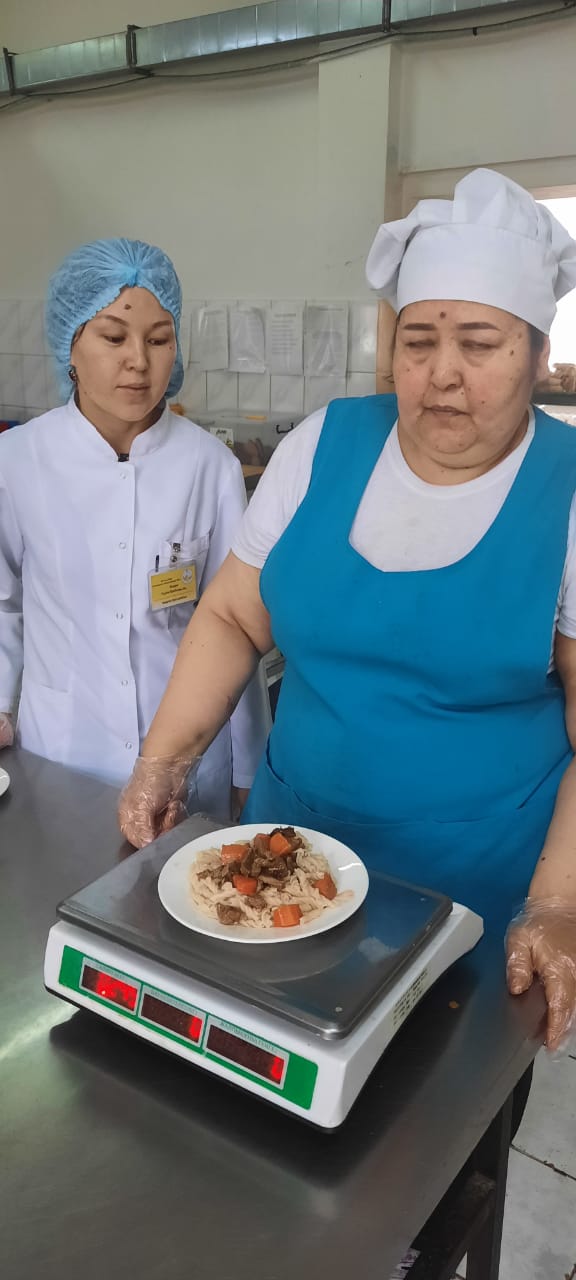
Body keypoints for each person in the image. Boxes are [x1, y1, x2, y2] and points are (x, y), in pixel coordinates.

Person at [118, 171, 576, 1051]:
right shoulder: (322, 444)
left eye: (480, 344)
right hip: (287, 862)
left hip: (471, 890)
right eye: (418, 342)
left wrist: (560, 903)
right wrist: (165, 759)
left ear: (537, 353)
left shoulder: (568, 489)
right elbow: (233, 616)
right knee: (265, 1074)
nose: (442, 374)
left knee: (435, 1105)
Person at [0, 238, 268, 819]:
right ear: (70, 345)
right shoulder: (18, 460)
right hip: (63, 755)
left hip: (188, 763)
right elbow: (3, 603)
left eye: (159, 339)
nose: (139, 362)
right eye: (114, 337)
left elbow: (239, 624)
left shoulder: (210, 466)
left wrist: (248, 769)